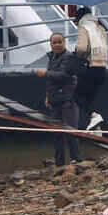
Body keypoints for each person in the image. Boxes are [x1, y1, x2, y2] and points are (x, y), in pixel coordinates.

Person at [35, 32, 84, 166]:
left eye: (59, 42)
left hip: (68, 100)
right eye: (54, 42)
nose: (57, 45)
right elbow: (51, 82)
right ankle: (59, 162)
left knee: (71, 131)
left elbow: (64, 75)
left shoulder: (68, 57)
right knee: (57, 133)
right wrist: (47, 96)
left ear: (64, 43)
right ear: (50, 44)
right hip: (55, 100)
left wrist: (46, 73)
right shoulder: (52, 57)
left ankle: (77, 160)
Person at [72, 6, 108, 131]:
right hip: (102, 68)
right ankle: (96, 128)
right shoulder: (100, 27)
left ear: (79, 18)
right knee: (91, 99)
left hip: (90, 67)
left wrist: (76, 52)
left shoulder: (84, 27)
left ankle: (94, 116)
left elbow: (82, 48)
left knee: (77, 96)